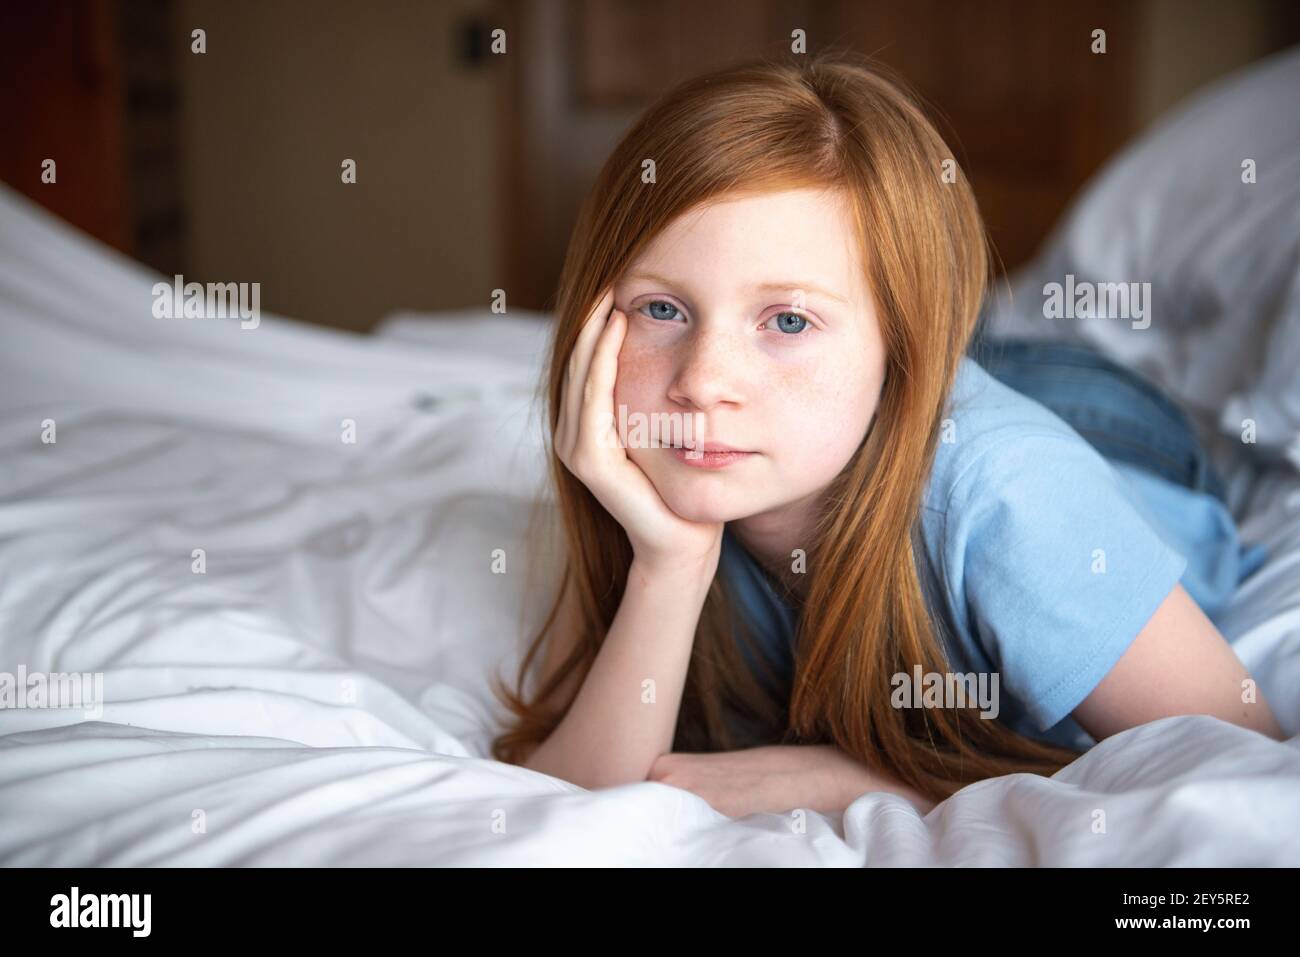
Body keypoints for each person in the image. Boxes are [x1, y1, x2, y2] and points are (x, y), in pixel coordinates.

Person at [489, 52, 1285, 818]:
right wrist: (671, 565)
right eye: (662, 308)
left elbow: (1242, 760)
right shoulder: (639, 465)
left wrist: (868, 777)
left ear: (901, 350)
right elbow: (575, 796)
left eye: (788, 319)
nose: (702, 380)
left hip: (1106, 421)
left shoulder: (1017, 499)